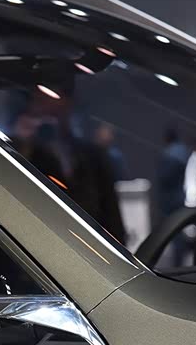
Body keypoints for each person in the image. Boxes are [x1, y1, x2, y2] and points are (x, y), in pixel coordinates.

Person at [10, 92, 125, 242]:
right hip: (40, 238)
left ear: (69, 107)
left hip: (91, 241)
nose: (50, 117)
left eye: (56, 111)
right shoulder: (24, 153)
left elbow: (111, 213)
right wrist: (22, 146)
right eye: (42, 105)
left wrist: (117, 247)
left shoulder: (91, 155)